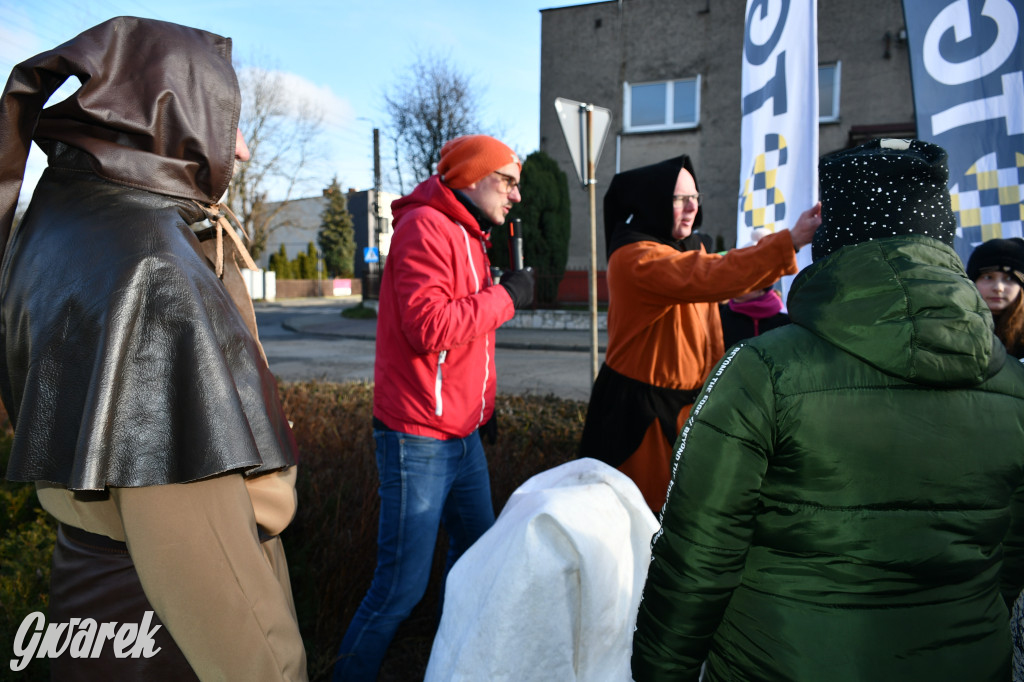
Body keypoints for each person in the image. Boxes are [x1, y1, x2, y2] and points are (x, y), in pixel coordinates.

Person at [632, 139, 1024, 681]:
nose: (691, 206)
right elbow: (1009, 559)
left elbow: (696, 557)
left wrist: (659, 672)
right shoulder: (1017, 386)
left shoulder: (762, 371)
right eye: (682, 197)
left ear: (834, 236)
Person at [0, 18, 306, 680]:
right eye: (229, 123)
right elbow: (200, 558)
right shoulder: (150, 268)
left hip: (92, 607)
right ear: (173, 114)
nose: (243, 150)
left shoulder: (57, 225)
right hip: (171, 631)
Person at [332, 134, 535, 681]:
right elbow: (431, 328)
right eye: (508, 181)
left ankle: (453, 663)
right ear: (470, 177)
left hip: (460, 435)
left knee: (477, 559)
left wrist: (483, 408)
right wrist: (507, 295)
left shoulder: (470, 234)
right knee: (399, 588)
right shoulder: (425, 226)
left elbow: (470, 346)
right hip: (418, 436)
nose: (516, 195)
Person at [578, 154, 821, 511]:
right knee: (643, 524)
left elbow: (723, 276)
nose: (691, 206)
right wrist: (791, 241)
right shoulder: (635, 258)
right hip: (640, 419)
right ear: (653, 201)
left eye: (695, 197)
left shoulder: (684, 248)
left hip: (682, 409)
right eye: (679, 198)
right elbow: (709, 275)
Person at [719, 228, 791, 348]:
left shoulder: (785, 323)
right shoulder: (720, 319)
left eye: (746, 275)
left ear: (762, 284)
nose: (736, 281)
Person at [967, 237, 1024, 359]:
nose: (998, 288)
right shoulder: (955, 326)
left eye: (1009, 278)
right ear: (972, 282)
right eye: (988, 277)